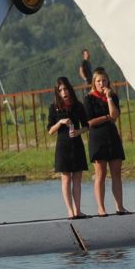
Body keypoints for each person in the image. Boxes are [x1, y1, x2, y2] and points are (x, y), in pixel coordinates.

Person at [85, 68, 130, 215]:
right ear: (94, 82)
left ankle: (120, 206)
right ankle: (101, 208)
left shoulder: (112, 96)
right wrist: (106, 118)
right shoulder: (89, 98)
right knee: (101, 174)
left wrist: (109, 97)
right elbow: (90, 121)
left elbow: (114, 115)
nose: (101, 83)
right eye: (98, 81)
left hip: (112, 136)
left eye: (104, 80)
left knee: (116, 173)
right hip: (97, 138)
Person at [47, 77, 90, 218]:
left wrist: (78, 131)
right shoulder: (53, 107)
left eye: (65, 89)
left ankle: (78, 210)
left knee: (77, 178)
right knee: (66, 178)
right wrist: (60, 122)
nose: (64, 92)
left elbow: (86, 126)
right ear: (57, 92)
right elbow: (50, 131)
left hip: (76, 144)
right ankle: (70, 211)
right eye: (61, 90)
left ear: (70, 89)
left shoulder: (78, 105)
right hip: (62, 146)